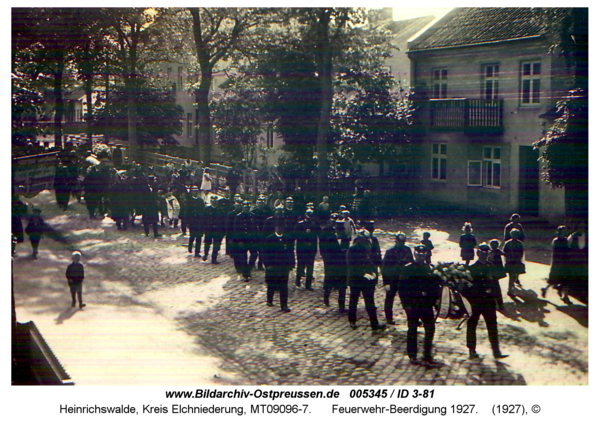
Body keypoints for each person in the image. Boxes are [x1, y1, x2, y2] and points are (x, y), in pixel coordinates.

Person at [464, 244, 509, 359]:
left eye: (487, 253)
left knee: (492, 326)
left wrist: (499, 302)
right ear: (478, 254)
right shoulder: (472, 268)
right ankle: (472, 350)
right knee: (472, 325)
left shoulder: (491, 266)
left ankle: (496, 351)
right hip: (476, 302)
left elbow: (495, 285)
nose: (485, 255)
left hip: (489, 302)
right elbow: (467, 288)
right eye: (482, 253)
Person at [399, 244, 441, 365]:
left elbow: (435, 287)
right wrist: (406, 305)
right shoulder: (407, 269)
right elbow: (402, 289)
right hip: (413, 304)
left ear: (427, 254)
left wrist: (436, 301)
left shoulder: (430, 268)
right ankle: (412, 355)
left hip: (426, 304)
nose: (421, 255)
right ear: (414, 254)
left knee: (430, 329)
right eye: (418, 253)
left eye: (423, 253)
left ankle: (427, 355)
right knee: (412, 329)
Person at [346, 230, 386, 331]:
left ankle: (374, 323)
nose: (366, 241)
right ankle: (352, 321)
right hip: (356, 279)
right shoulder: (352, 249)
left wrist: (373, 272)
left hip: (368, 280)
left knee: (370, 302)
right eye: (364, 239)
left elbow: (371, 261)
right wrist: (363, 273)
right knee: (353, 300)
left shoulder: (369, 246)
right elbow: (351, 265)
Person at [382, 232, 415, 325]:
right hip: (393, 279)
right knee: (389, 299)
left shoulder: (407, 250)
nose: (401, 244)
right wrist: (386, 283)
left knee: (407, 299)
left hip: (404, 280)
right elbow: (384, 268)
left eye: (403, 242)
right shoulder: (389, 252)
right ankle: (389, 318)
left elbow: (411, 264)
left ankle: (411, 318)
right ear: (396, 241)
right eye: (400, 242)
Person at [262, 221, 295, 312]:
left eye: (281, 227)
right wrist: (267, 265)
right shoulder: (269, 239)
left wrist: (291, 264)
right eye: (278, 227)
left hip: (283, 267)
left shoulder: (287, 238)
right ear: (275, 228)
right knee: (271, 284)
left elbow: (291, 252)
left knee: (284, 286)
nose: (280, 229)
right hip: (272, 266)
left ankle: (284, 305)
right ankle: (269, 299)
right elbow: (265, 253)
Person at [320, 213, 347, 312]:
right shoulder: (328, 235)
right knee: (329, 281)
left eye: (341, 225)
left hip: (341, 263)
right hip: (331, 262)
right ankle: (326, 298)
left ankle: (341, 306)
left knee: (342, 284)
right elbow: (325, 248)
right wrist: (327, 259)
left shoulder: (343, 234)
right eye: (338, 225)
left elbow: (345, 246)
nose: (340, 227)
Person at [541, 226, 571, 303]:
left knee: (566, 280)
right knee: (553, 280)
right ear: (559, 232)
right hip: (557, 263)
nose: (564, 233)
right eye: (563, 231)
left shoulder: (565, 240)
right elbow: (556, 252)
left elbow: (567, 250)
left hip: (565, 263)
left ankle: (566, 296)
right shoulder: (556, 241)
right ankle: (545, 289)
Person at [294, 208, 320, 290]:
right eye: (308, 215)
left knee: (310, 266)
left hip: (311, 249)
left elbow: (318, 235)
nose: (310, 217)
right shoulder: (300, 224)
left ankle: (308, 285)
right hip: (302, 249)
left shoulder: (315, 225)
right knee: (300, 265)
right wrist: (305, 234)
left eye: (311, 216)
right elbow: (296, 236)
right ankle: (298, 282)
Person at [233, 200, 259, 282]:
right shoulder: (239, 217)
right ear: (242, 207)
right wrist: (239, 240)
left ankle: (249, 268)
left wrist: (256, 239)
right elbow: (236, 230)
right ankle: (246, 274)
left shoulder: (253, 216)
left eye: (248, 207)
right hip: (243, 240)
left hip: (251, 240)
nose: (247, 208)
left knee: (254, 254)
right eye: (245, 207)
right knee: (243, 257)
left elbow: (256, 228)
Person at [203, 195, 226, 264]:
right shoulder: (206, 209)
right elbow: (203, 220)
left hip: (217, 231)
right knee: (207, 243)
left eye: (215, 201)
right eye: (212, 201)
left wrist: (223, 231)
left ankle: (214, 258)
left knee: (216, 245)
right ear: (210, 201)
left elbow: (223, 221)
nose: (214, 202)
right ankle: (206, 254)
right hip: (209, 230)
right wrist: (203, 229)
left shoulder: (221, 210)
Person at [504, 228, 525, 296]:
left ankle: (512, 286)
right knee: (511, 275)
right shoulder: (508, 243)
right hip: (510, 261)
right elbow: (505, 251)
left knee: (514, 275)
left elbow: (521, 252)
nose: (514, 236)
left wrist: (519, 258)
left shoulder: (519, 243)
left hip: (516, 261)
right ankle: (510, 289)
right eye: (513, 235)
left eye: (516, 235)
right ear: (511, 235)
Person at [186, 186, 206, 257]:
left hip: (199, 222)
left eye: (196, 191)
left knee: (199, 237)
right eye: (194, 191)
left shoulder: (200, 201)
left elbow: (203, 212)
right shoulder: (189, 201)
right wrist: (187, 222)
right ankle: (190, 246)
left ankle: (197, 252)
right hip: (192, 222)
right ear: (191, 192)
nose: (195, 192)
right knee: (192, 236)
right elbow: (187, 212)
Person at [488, 239, 506, 310]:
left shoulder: (491, 252)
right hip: (496, 272)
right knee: (496, 288)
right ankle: (499, 304)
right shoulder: (497, 251)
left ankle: (497, 303)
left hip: (493, 272)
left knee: (494, 288)